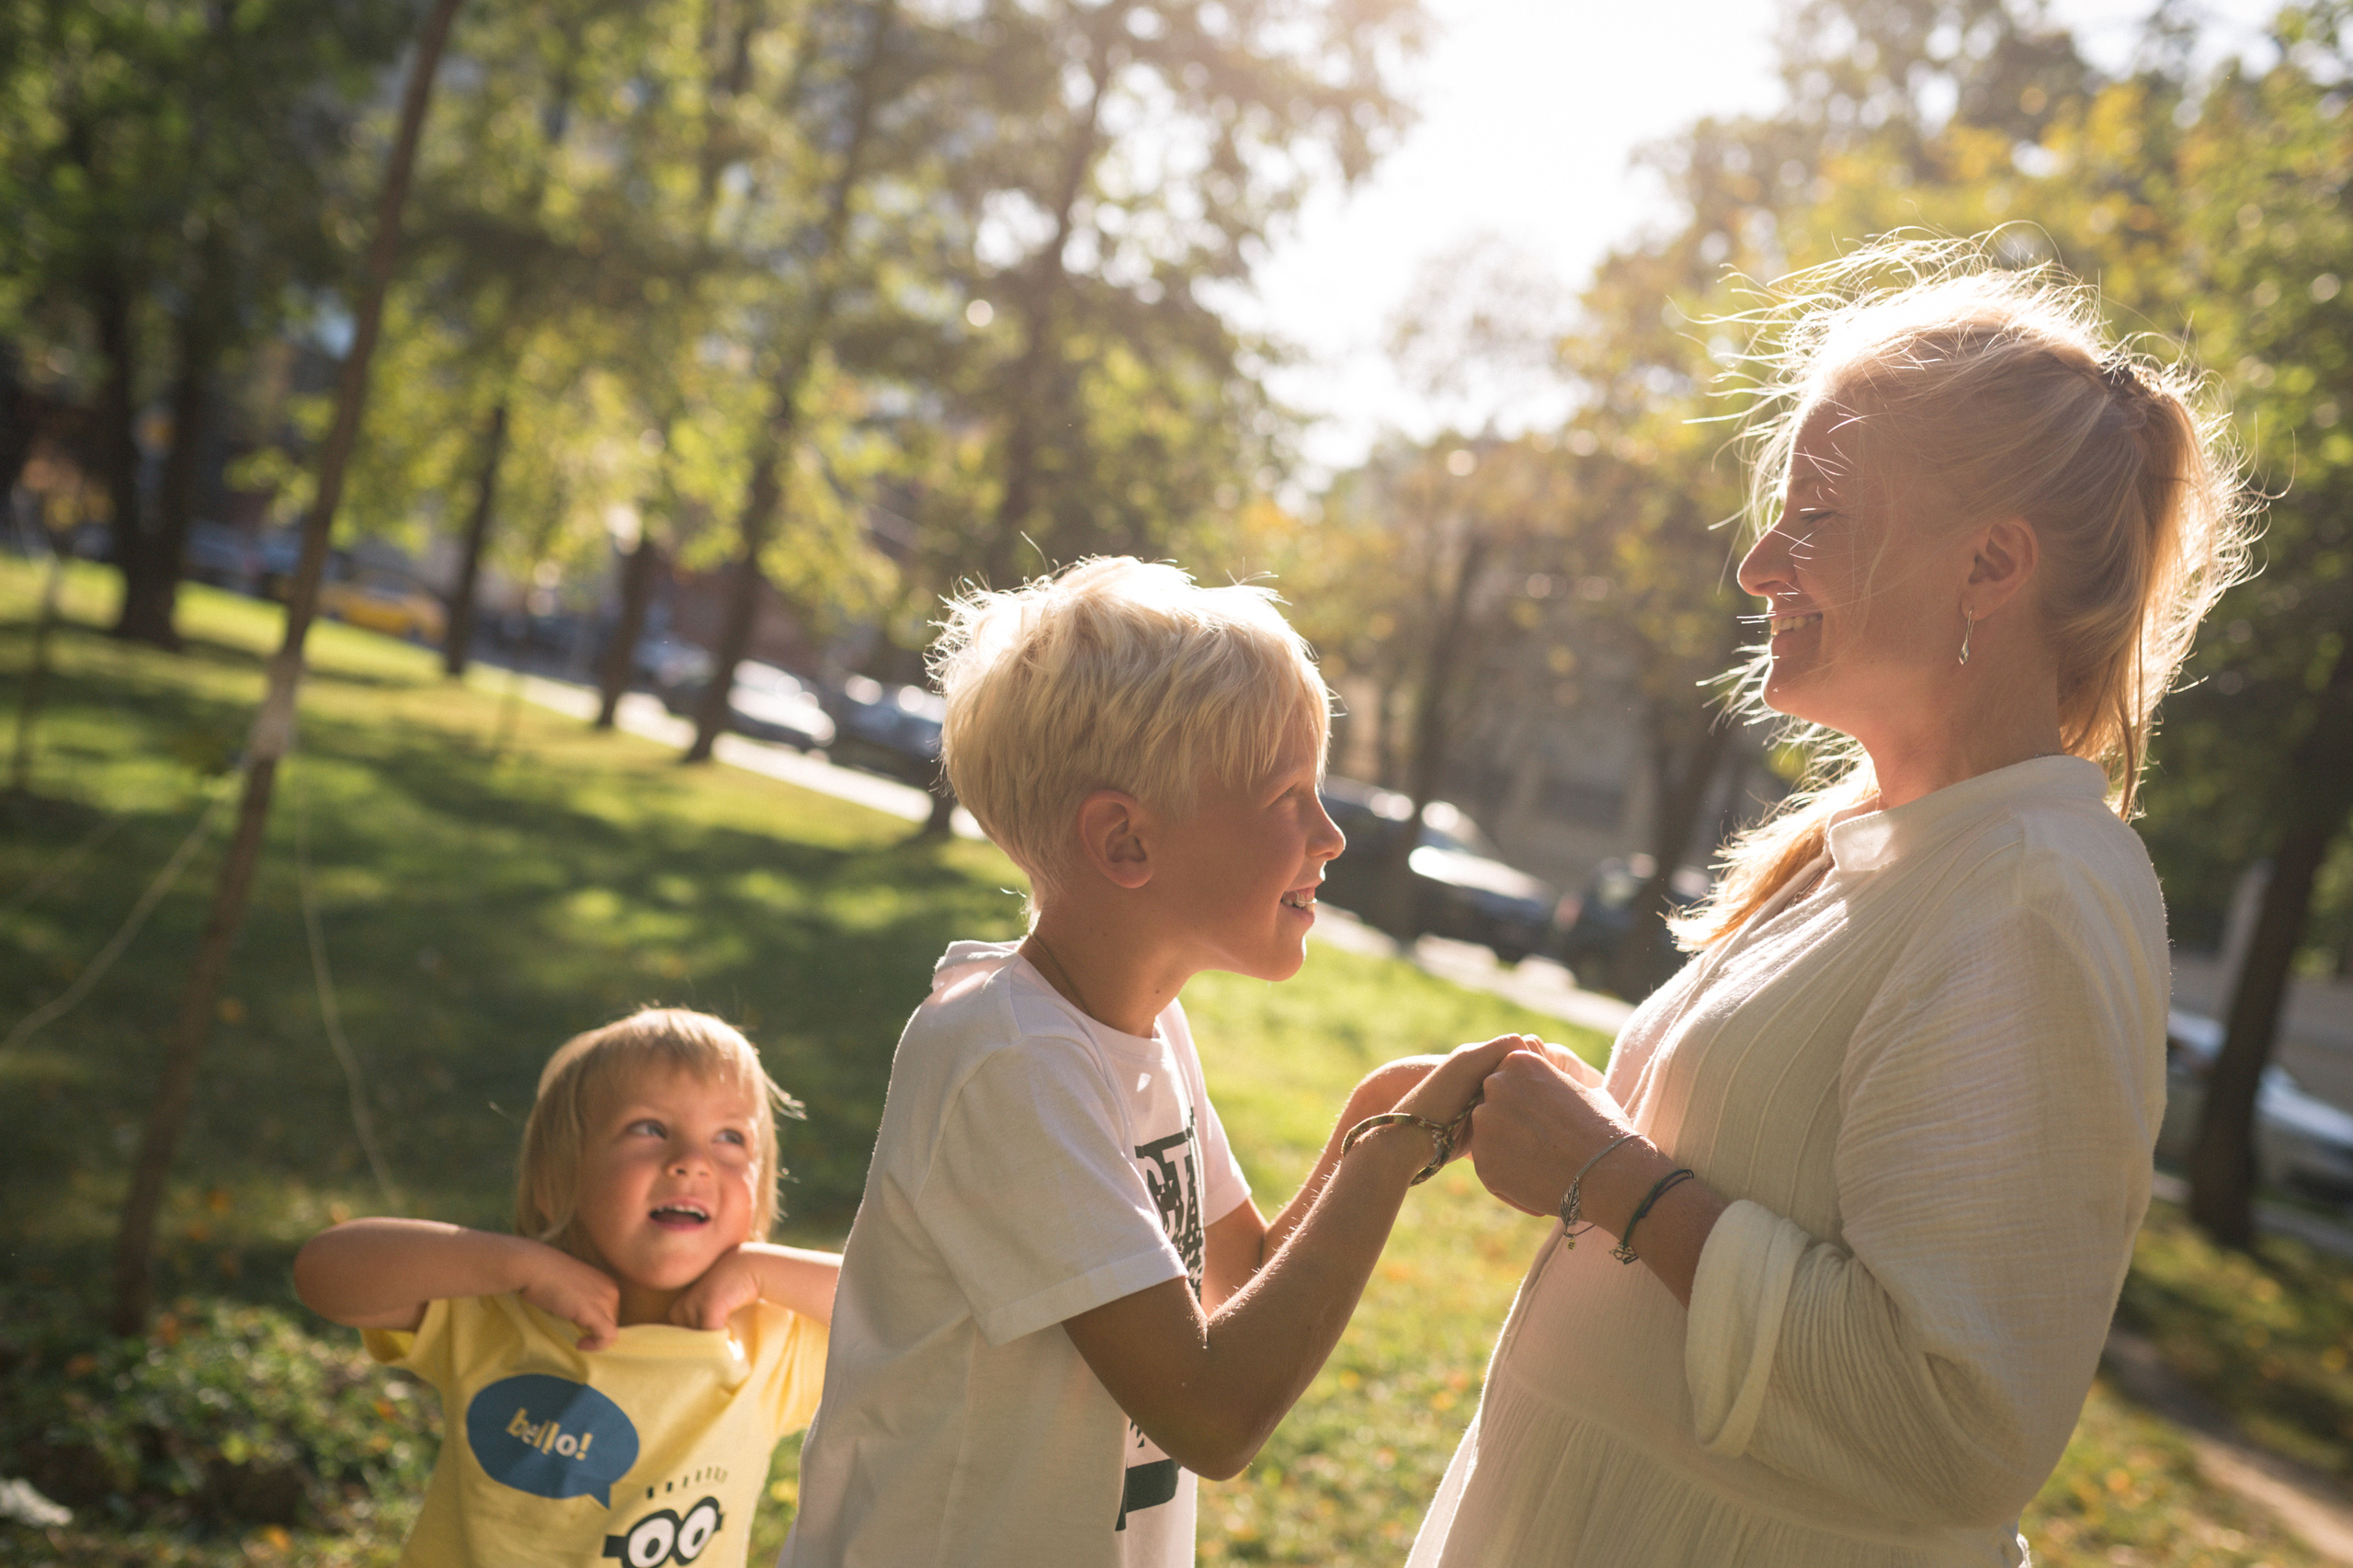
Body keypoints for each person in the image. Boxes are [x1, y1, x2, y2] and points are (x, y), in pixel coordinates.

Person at [1408, 244, 2253, 1567]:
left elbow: (1955, 1418)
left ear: (1988, 567)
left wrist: (1605, 1175)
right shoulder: (1885, 846)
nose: (1759, 569)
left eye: (1815, 519)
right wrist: (1601, 1133)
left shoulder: (2028, 892)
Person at [781, 557, 1518, 1568]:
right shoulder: (1010, 1058)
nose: (1331, 835)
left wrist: (1369, 1122)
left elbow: (1241, 1280)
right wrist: (1393, 1153)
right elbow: (1211, 1411)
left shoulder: (1140, 1029)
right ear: (1126, 838)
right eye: (1288, 795)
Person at [295, 1008, 839, 1568]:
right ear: (557, 1184)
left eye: (730, 1138)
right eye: (649, 1129)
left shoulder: (770, 1341)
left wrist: (764, 1268)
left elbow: (916, 1316)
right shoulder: (496, 1308)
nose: (691, 1163)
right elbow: (322, 1272)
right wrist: (514, 1263)